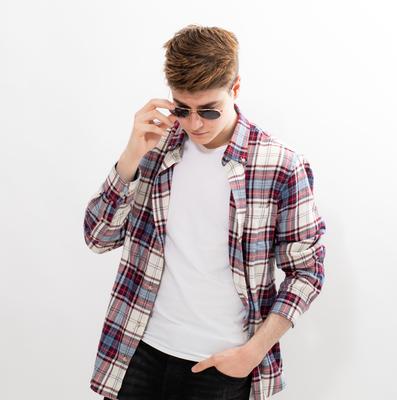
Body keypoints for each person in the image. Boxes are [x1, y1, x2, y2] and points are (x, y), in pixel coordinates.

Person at [83, 24, 327, 400]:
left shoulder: (279, 165)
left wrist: (253, 352)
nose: (194, 124)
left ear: (236, 88)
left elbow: (307, 272)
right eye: (182, 109)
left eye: (209, 111)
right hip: (139, 351)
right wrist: (131, 155)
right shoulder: (155, 148)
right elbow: (99, 238)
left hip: (221, 365)